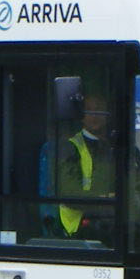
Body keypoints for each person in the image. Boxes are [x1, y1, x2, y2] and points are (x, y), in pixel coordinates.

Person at [50, 89, 115, 242]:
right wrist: (106, 201)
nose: (95, 115)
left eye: (99, 110)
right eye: (89, 110)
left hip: (112, 222)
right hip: (79, 229)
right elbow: (68, 194)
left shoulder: (117, 148)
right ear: (81, 117)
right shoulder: (70, 148)